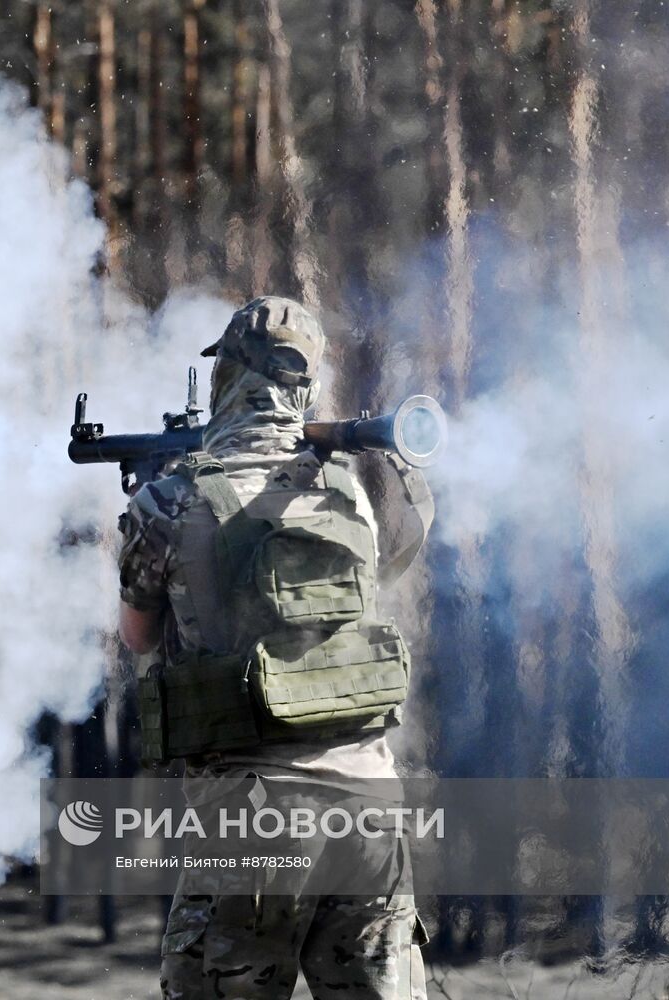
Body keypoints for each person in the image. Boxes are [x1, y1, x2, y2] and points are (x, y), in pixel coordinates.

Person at [116, 296, 429, 1000]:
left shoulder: (167, 502)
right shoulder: (351, 488)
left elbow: (138, 638)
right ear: (304, 386)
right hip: (367, 807)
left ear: (226, 375)